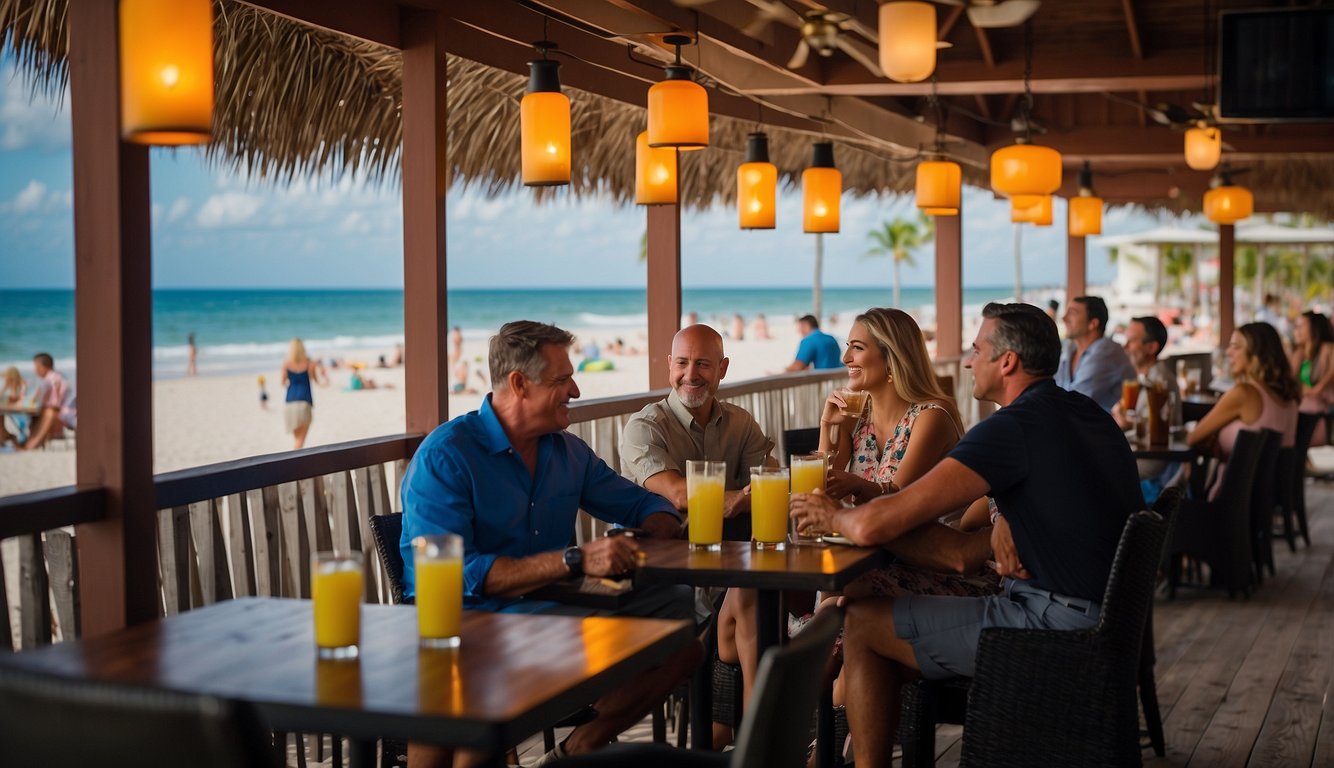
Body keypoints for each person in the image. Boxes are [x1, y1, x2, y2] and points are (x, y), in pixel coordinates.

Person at [791, 302, 1143, 767]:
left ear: (1007, 362)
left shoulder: (1010, 429)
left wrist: (833, 515)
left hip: (1052, 626)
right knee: (875, 625)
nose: (967, 361)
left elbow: (923, 538)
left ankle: (801, 744)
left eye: (976, 350)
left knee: (863, 624)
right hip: (1105, 620)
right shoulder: (1084, 413)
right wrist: (1005, 521)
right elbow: (1063, 496)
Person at [400, 321, 702, 767]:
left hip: (554, 613)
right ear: (519, 384)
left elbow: (645, 505)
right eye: (562, 381)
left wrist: (643, 536)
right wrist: (577, 559)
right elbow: (455, 576)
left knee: (681, 635)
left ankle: (576, 748)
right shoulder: (446, 456)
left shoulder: (567, 451)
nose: (576, 391)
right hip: (469, 624)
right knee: (469, 724)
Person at [619, 324, 776, 749]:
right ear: (669, 366)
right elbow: (678, 493)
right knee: (757, 602)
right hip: (666, 588)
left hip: (726, 580)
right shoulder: (644, 427)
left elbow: (776, 482)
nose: (692, 374)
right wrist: (737, 499)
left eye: (703, 364)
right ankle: (755, 744)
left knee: (769, 602)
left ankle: (739, 740)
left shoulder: (740, 424)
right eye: (683, 363)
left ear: (722, 368)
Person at [1188, 322, 1299, 499]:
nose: (1228, 352)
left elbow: (1192, 438)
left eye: (1236, 347)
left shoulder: (1244, 393)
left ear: (1257, 354)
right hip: (1270, 498)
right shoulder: (1289, 396)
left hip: (1233, 502)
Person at [1114, 316, 1180, 502]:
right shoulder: (1146, 378)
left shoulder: (1159, 382)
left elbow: (1159, 429)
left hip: (1148, 460)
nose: (1125, 347)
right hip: (1137, 451)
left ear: (1151, 348)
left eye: (1132, 341)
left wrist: (1127, 422)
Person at [1055, 295, 1136, 410]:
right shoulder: (1070, 349)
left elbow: (1075, 403)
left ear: (1092, 324)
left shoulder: (1106, 352)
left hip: (1107, 427)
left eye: (1072, 313)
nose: (1064, 318)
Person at [1289, 311, 1334, 446]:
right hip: (1303, 410)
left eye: (1301, 326)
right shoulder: (1299, 353)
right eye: (1295, 326)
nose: (1296, 330)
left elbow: (1316, 391)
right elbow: (1289, 383)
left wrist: (1302, 390)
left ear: (1314, 328)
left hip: (1320, 412)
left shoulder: (1328, 349)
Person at [20, 353, 77, 451]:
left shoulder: (53, 379)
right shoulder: (54, 377)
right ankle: (31, 442)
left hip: (67, 415)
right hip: (67, 413)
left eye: (36, 367)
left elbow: (55, 405)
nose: (35, 370)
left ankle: (32, 444)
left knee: (46, 412)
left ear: (43, 367)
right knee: (39, 413)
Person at [281, 338, 327, 450]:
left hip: (289, 403)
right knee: (299, 442)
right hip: (304, 402)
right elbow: (316, 380)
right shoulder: (309, 363)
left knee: (297, 440)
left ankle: (294, 463)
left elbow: (283, 382)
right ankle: (294, 465)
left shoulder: (286, 364)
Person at [1, 366, 29, 447]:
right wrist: (5, 387)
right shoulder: (9, 384)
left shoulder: (22, 384)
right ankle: (3, 436)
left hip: (19, 409)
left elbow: (20, 398)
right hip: (12, 408)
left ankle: (5, 436)